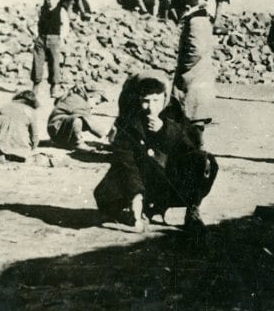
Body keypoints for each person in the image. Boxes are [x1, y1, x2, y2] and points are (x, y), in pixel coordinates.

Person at [93, 76, 218, 234]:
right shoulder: (127, 120)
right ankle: (143, 208)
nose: (151, 108)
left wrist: (165, 130)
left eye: (156, 101)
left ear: (164, 98)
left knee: (205, 161)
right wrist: (136, 200)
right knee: (107, 198)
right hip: (142, 178)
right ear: (138, 99)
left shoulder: (174, 113)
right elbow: (126, 162)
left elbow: (191, 146)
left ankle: (191, 210)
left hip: (169, 176)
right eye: (146, 101)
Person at [168, 0, 216, 146]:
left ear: (187, 7)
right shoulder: (202, 19)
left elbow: (196, 49)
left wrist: (184, 67)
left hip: (194, 76)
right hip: (199, 74)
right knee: (194, 114)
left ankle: (195, 152)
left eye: (180, 9)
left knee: (194, 115)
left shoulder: (196, 22)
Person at [30, 0, 69, 99]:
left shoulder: (61, 11)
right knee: (37, 63)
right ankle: (35, 86)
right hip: (41, 39)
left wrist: (61, 38)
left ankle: (54, 87)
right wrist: (35, 35)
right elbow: (32, 22)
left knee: (54, 64)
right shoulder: (41, 10)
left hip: (54, 39)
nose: (50, 1)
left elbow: (65, 25)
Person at [47, 84, 105, 152]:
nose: (95, 105)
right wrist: (104, 135)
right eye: (97, 103)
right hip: (55, 129)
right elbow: (88, 120)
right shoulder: (78, 100)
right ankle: (77, 143)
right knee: (78, 119)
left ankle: (68, 141)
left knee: (79, 120)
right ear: (92, 96)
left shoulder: (79, 98)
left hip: (57, 128)